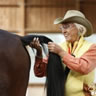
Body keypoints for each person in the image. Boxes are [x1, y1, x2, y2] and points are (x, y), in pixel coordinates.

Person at [30, 10, 96, 96]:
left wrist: (61, 53)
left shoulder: (92, 47)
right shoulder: (59, 47)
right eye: (61, 28)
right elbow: (41, 73)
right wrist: (39, 53)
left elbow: (84, 67)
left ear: (79, 28)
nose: (63, 31)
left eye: (66, 27)